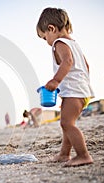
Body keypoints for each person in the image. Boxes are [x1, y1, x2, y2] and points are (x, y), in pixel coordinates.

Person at [36, 7, 94, 167]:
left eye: (44, 37)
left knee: (67, 124)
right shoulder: (74, 44)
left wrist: (55, 81)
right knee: (66, 122)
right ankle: (64, 154)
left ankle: (83, 155)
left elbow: (67, 62)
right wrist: (82, 84)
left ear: (51, 28)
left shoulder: (59, 43)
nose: (46, 41)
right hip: (81, 91)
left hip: (75, 92)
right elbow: (86, 65)